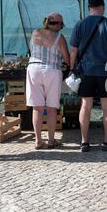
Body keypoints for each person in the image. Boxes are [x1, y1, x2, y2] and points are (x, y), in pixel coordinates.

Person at [70, 0, 107, 152]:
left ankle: (84, 142)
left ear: (89, 8)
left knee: (86, 105)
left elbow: (73, 51)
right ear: (103, 7)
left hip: (86, 71)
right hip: (106, 72)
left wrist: (72, 68)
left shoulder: (80, 25)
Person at [26, 12, 70, 149]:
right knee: (51, 108)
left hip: (33, 69)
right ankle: (51, 140)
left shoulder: (35, 33)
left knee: (37, 108)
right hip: (52, 70)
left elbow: (31, 50)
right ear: (54, 24)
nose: (62, 26)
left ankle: (38, 141)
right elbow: (67, 59)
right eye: (60, 24)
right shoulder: (59, 38)